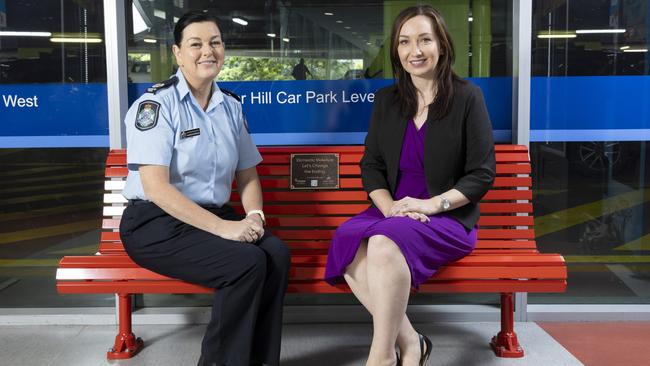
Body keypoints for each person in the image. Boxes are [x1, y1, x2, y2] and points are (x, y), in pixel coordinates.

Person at [324, 5, 496, 366]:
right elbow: (371, 165)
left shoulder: (468, 98)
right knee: (348, 241)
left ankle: (382, 355)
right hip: (394, 209)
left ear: (442, 45)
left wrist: (428, 205)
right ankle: (412, 342)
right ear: (396, 50)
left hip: (447, 215)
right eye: (404, 42)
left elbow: (481, 174)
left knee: (383, 244)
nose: (414, 51)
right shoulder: (387, 101)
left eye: (424, 40)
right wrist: (391, 207)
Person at [119, 10, 290, 366]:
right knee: (245, 263)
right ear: (177, 53)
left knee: (275, 254)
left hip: (208, 218)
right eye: (195, 44)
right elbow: (156, 188)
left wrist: (254, 215)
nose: (207, 51)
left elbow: (247, 173)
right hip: (155, 224)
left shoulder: (229, 106)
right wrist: (226, 229)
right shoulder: (155, 106)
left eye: (214, 43)